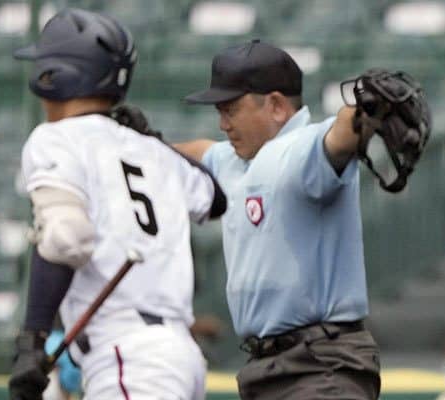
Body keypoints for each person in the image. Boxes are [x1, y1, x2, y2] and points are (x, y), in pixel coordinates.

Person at [174, 40, 428, 399]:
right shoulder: (231, 159)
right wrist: (133, 140)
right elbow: (195, 152)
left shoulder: (302, 148)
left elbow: (339, 136)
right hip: (264, 368)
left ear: (276, 106)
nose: (223, 123)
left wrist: (367, 111)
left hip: (321, 364)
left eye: (230, 109)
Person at [8, 8, 225, 400]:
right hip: (178, 356)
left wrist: (33, 339)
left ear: (53, 76)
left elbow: (67, 238)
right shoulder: (151, 149)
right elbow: (215, 198)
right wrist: (153, 141)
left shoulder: (56, 137)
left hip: (127, 353)